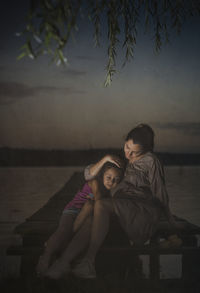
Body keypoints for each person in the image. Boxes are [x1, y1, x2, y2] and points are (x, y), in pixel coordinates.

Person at [45, 123, 181, 279]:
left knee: (101, 204)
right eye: (127, 147)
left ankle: (89, 261)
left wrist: (171, 221)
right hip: (120, 210)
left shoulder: (151, 161)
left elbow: (161, 194)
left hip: (140, 212)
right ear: (125, 141)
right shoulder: (122, 158)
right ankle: (64, 264)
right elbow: (88, 175)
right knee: (91, 219)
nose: (129, 154)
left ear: (146, 150)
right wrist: (105, 159)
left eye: (135, 152)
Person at [36, 162, 123, 276]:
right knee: (64, 230)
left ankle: (64, 262)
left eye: (116, 180)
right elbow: (94, 203)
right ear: (102, 175)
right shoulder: (95, 183)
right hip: (73, 211)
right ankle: (45, 258)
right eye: (109, 177)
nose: (111, 181)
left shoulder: (107, 190)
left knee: (89, 227)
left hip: (86, 213)